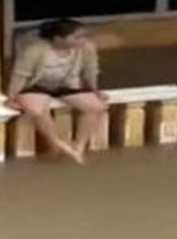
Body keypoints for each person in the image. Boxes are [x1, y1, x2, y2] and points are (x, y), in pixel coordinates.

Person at [6, 18, 107, 164]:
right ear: (58, 39)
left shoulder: (86, 47)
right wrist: (11, 97)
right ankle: (56, 143)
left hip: (67, 84)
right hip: (36, 85)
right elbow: (20, 75)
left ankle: (79, 145)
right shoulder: (35, 51)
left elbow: (91, 70)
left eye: (83, 36)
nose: (82, 40)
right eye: (77, 37)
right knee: (36, 110)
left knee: (97, 107)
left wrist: (95, 89)